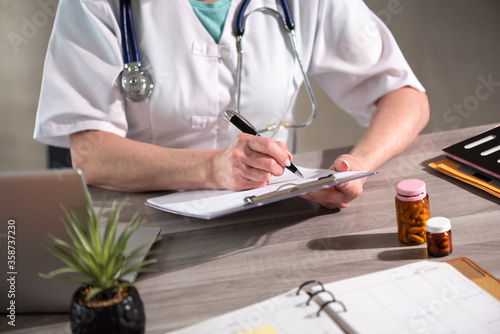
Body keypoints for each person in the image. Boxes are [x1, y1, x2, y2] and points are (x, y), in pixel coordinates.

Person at [34, 0, 429, 210]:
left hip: (270, 212)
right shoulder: (95, 3)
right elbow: (89, 152)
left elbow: (405, 97)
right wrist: (211, 168)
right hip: (143, 221)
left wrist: (357, 166)